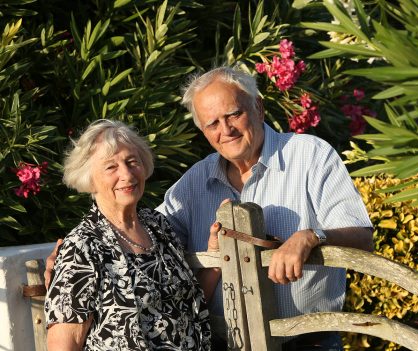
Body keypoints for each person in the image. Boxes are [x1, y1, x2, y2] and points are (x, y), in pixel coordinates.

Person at [46, 66, 373, 350]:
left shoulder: (311, 155)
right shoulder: (195, 181)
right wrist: (70, 260)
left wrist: (310, 236)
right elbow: (134, 231)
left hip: (307, 343)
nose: (225, 129)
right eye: (212, 123)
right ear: (203, 130)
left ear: (258, 107)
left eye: (233, 114)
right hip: (224, 342)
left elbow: (362, 236)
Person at [44, 119, 219, 351]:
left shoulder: (158, 227)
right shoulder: (82, 247)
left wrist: (215, 259)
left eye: (131, 161)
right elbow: (65, 345)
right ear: (89, 178)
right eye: (111, 167)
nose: (126, 174)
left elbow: (188, 306)